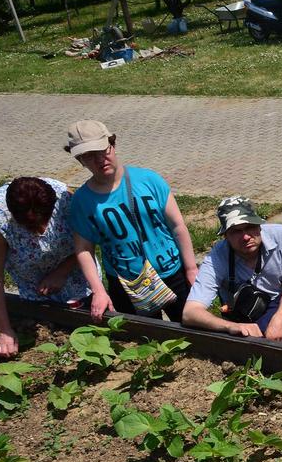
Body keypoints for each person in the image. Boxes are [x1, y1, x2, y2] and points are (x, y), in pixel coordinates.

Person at [65, 120, 198, 322]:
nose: (100, 160)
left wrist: (191, 269)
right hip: (126, 283)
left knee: (193, 330)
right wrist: (99, 290)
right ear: (80, 160)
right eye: (89, 156)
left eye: (103, 150)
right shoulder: (82, 201)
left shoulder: (149, 180)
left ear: (113, 144)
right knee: (144, 340)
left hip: (172, 272)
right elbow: (84, 249)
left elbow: (177, 226)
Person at [182, 196, 282, 345]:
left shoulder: (281, 236)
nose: (245, 237)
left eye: (250, 227)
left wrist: (279, 319)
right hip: (251, 313)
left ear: (259, 225)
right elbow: (190, 313)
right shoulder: (216, 257)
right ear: (225, 236)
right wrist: (231, 326)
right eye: (236, 231)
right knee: (265, 340)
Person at [0, 176, 91, 358]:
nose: (42, 229)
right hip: (36, 294)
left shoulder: (63, 197)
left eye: (46, 219)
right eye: (32, 225)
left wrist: (62, 271)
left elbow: (88, 240)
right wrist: (4, 330)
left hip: (80, 280)